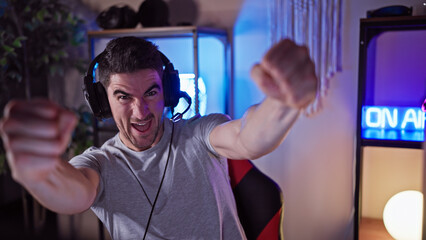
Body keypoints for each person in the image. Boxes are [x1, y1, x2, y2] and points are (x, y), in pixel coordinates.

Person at [0, 37, 317, 239]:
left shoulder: (200, 134)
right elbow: (74, 194)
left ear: (167, 91)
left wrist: (283, 103)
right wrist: (39, 171)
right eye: (123, 96)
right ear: (102, 102)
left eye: (151, 91)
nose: (141, 111)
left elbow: (248, 138)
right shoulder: (100, 162)